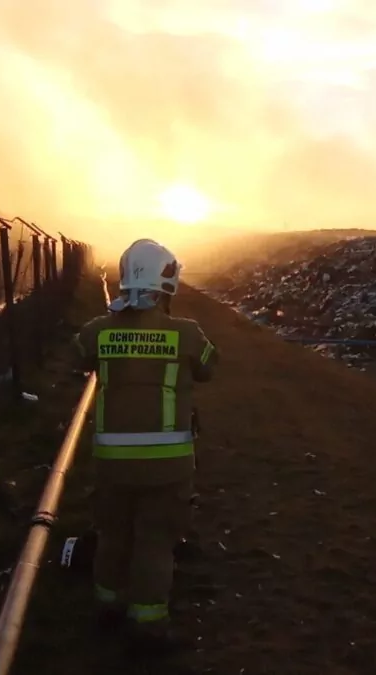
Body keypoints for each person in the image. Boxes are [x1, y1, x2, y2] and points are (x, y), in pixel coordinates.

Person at [73, 238, 218, 650]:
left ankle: (107, 608)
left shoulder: (96, 332)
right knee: (155, 543)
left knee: (112, 535)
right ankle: (147, 626)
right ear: (166, 285)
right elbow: (210, 366)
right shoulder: (187, 335)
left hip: (112, 464)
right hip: (168, 467)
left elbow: (76, 355)